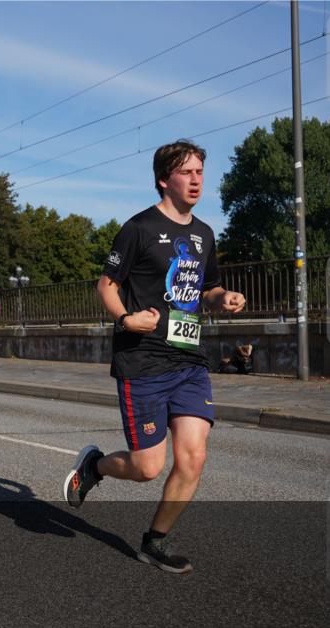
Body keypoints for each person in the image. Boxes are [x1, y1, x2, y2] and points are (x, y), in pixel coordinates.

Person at [65, 140, 246, 574]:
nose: (197, 178)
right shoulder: (139, 228)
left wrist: (223, 298)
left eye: (201, 170)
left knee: (193, 458)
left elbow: (205, 290)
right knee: (148, 467)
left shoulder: (204, 234)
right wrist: (127, 319)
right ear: (164, 179)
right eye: (187, 172)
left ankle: (154, 541)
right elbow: (106, 284)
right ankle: (96, 466)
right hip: (142, 361)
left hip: (188, 361)